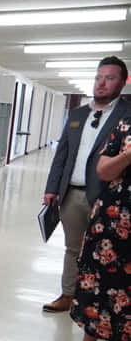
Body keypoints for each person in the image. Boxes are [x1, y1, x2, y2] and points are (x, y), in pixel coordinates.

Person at [41, 57, 130, 313]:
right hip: (71, 194)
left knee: (107, 253)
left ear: (122, 83)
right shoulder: (78, 114)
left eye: (109, 78)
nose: (101, 83)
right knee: (72, 248)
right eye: (98, 77)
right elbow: (63, 153)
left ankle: (98, 303)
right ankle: (68, 295)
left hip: (108, 198)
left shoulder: (127, 115)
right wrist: (52, 188)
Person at [70, 109, 131, 341]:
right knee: (99, 275)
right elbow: (104, 170)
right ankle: (90, 336)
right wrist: (128, 154)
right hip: (114, 219)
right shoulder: (125, 125)